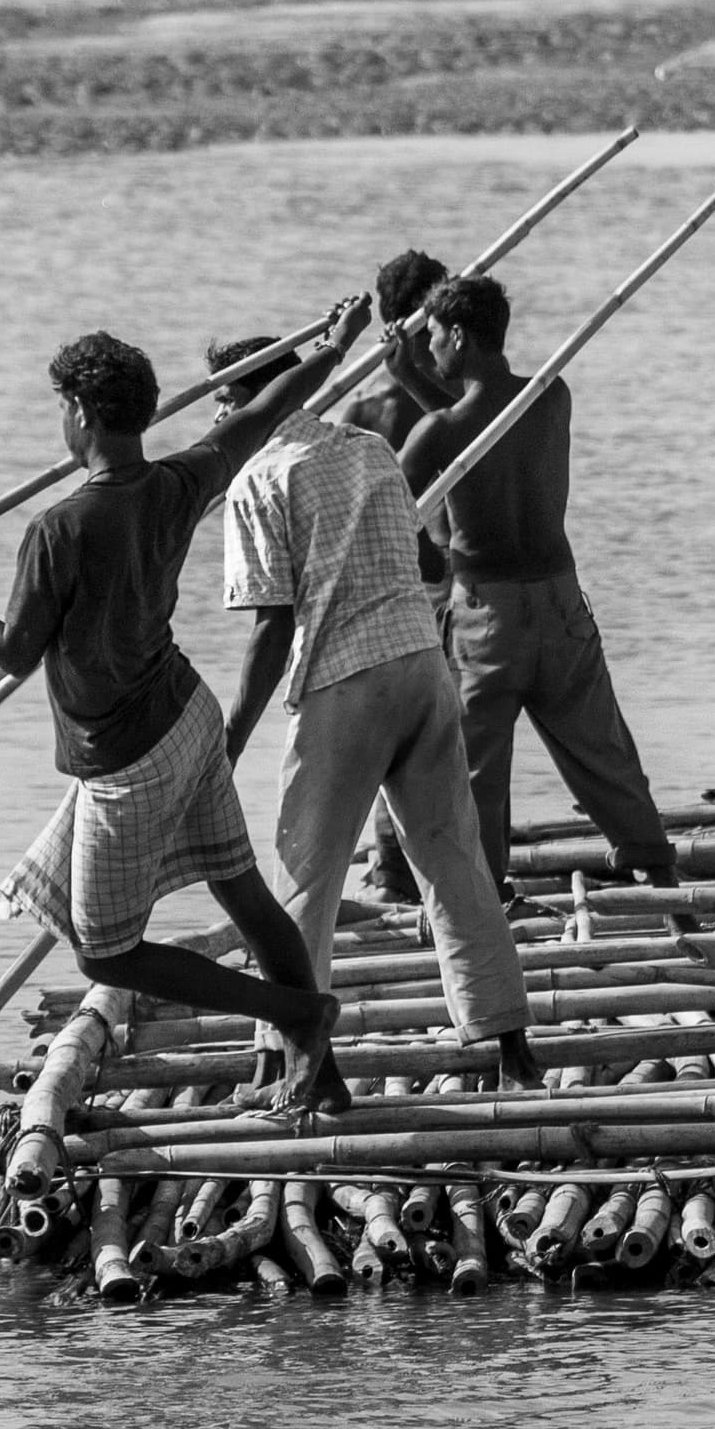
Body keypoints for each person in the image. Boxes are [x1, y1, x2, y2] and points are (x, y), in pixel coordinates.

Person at [0, 301, 369, 1115]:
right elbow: (274, 406)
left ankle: (297, 1014)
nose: (61, 421)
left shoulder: (59, 528)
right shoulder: (181, 479)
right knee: (243, 894)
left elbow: (12, 653)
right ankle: (329, 1080)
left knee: (107, 957)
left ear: (83, 413)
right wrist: (337, 345)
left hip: (129, 757)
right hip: (188, 718)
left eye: (62, 407)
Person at [208, 332, 545, 1091]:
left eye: (226, 401)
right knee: (455, 858)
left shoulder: (257, 475)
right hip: (422, 669)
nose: (221, 417)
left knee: (306, 872)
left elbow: (271, 624)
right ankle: (514, 1054)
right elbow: (428, 560)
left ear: (251, 401)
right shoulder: (367, 447)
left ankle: (285, 1057)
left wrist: (228, 740)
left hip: (344, 682)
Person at [386, 272, 682, 895]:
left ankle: (488, 900)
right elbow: (487, 420)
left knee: (476, 771)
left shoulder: (438, 432)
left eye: (435, 336)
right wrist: (413, 373)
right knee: (603, 750)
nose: (432, 347)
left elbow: (392, 510)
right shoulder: (553, 396)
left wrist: (432, 563)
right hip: (560, 602)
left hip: (487, 617)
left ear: (458, 336)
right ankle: (664, 884)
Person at [333, 246, 453, 906]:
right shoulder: (434, 397)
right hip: (431, 589)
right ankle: (406, 865)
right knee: (432, 737)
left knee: (405, 735)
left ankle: (400, 863)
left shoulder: (363, 405)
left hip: (401, 592)